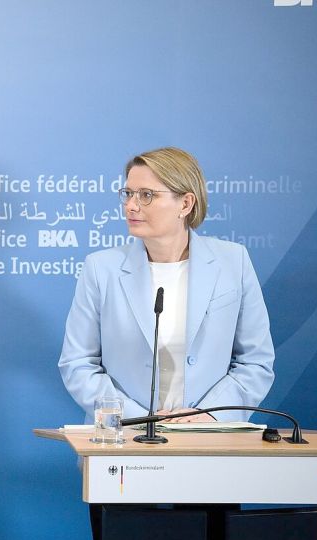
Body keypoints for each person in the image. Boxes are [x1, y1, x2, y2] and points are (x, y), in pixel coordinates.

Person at [59, 147, 274, 423]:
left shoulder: (234, 262)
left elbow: (255, 362)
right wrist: (138, 420)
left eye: (146, 195)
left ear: (185, 204)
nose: (131, 205)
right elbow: (78, 364)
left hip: (207, 434)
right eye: (128, 193)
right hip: (125, 434)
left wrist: (209, 414)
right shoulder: (101, 268)